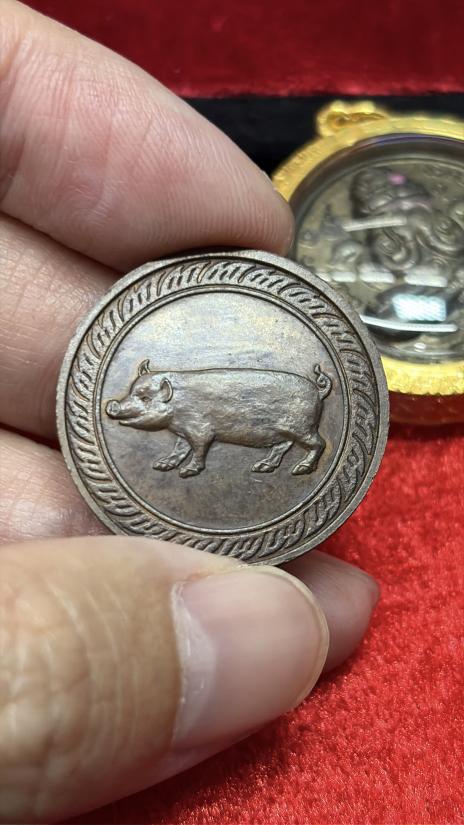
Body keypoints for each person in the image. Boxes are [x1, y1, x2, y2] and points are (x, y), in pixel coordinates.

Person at [0, 2, 380, 820]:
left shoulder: (188, 405)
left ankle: (302, 452)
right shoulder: (175, 395)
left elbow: (202, 434)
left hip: (282, 401)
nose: (131, 408)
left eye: (143, 400)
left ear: (164, 393)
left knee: (295, 426)